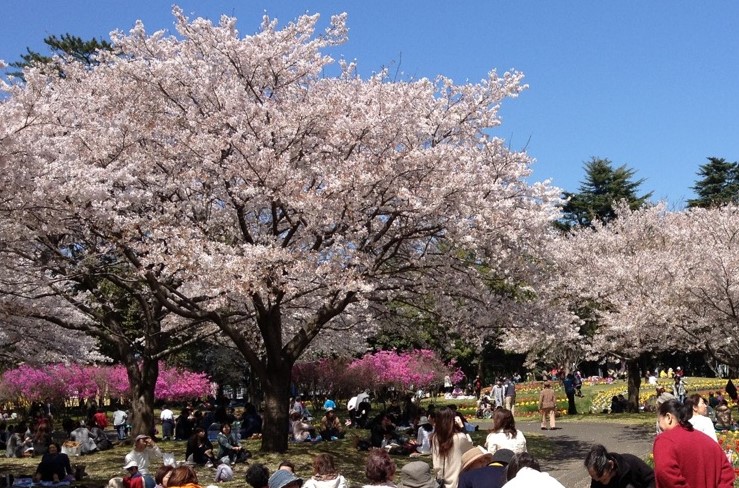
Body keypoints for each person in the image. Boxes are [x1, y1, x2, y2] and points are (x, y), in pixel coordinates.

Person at [653, 399, 734, 488]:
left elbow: (664, 472)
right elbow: (726, 474)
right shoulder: (708, 441)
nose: (659, 425)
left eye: (659, 421)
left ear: (668, 417)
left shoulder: (665, 440)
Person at [431, 407, 473, 488]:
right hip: (456, 482)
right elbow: (471, 446)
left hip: (441, 482)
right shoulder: (460, 438)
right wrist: (462, 427)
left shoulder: (435, 438)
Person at [584, 444, 654, 488]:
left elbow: (653, 479)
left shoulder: (631, 462)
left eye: (603, 478)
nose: (597, 480)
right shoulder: (597, 478)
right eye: (594, 477)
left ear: (611, 465)